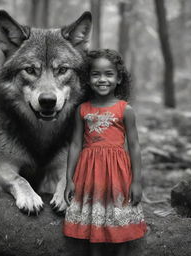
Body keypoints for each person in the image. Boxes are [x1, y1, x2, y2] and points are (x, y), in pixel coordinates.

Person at [63, 49, 147, 256]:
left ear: (118, 79)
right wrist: (69, 179)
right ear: (88, 79)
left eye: (109, 74)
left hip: (117, 173)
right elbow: (75, 144)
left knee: (120, 224)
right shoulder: (82, 109)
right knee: (94, 223)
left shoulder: (124, 109)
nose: (102, 79)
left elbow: (134, 146)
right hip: (89, 174)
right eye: (96, 74)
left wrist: (136, 181)